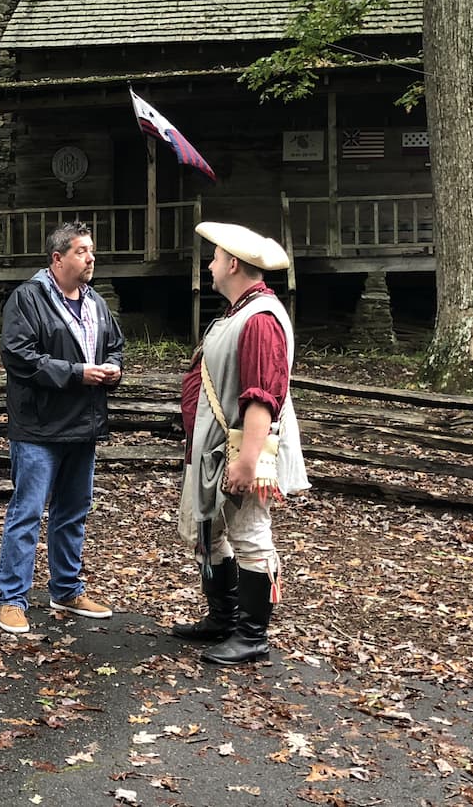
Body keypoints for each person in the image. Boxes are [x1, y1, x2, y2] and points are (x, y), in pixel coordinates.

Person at [172, 222, 308, 665]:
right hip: (215, 449)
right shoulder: (238, 313)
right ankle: (224, 619)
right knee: (209, 533)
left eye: (213, 258)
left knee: (250, 536)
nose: (209, 266)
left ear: (232, 264)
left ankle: (252, 636)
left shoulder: (261, 320)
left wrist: (248, 461)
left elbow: (262, 397)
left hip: (242, 451)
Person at [0, 221, 125, 634]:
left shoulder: (95, 302)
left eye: (91, 251)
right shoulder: (27, 299)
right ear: (57, 258)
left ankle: (66, 590)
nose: (91, 258)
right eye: (81, 251)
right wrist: (77, 373)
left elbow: (115, 346)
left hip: (83, 426)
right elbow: (19, 356)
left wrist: (113, 367)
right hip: (39, 427)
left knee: (73, 513)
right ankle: (11, 599)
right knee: (28, 513)